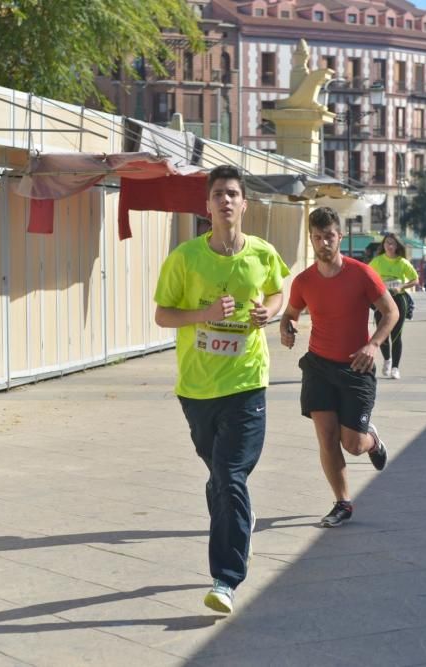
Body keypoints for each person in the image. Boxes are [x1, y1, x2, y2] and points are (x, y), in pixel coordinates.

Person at [153, 164, 289, 614]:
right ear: (207, 205)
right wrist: (204, 313)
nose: (226, 200)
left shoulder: (263, 254)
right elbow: (164, 315)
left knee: (229, 475)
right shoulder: (185, 258)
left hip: (247, 382)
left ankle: (225, 578)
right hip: (196, 388)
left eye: (233, 193)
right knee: (219, 479)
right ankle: (240, 525)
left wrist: (267, 313)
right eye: (218, 194)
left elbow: (277, 292)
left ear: (244, 204)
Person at [279, 206, 396, 528]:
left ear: (340, 237)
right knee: (326, 438)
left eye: (329, 236)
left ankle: (372, 439)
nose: (323, 244)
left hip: (355, 368)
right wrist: (285, 328)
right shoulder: (303, 281)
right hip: (317, 366)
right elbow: (290, 313)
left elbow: (391, 312)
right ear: (311, 240)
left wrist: (373, 345)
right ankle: (342, 503)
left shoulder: (361, 273)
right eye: (317, 238)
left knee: (353, 445)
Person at [368, 233, 420, 380]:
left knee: (396, 334)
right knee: (382, 332)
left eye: (392, 244)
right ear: (383, 245)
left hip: (399, 299)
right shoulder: (377, 261)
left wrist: (402, 286)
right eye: (387, 243)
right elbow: (367, 276)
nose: (390, 246)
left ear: (397, 246)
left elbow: (415, 279)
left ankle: (396, 368)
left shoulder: (402, 262)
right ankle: (387, 360)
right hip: (382, 300)